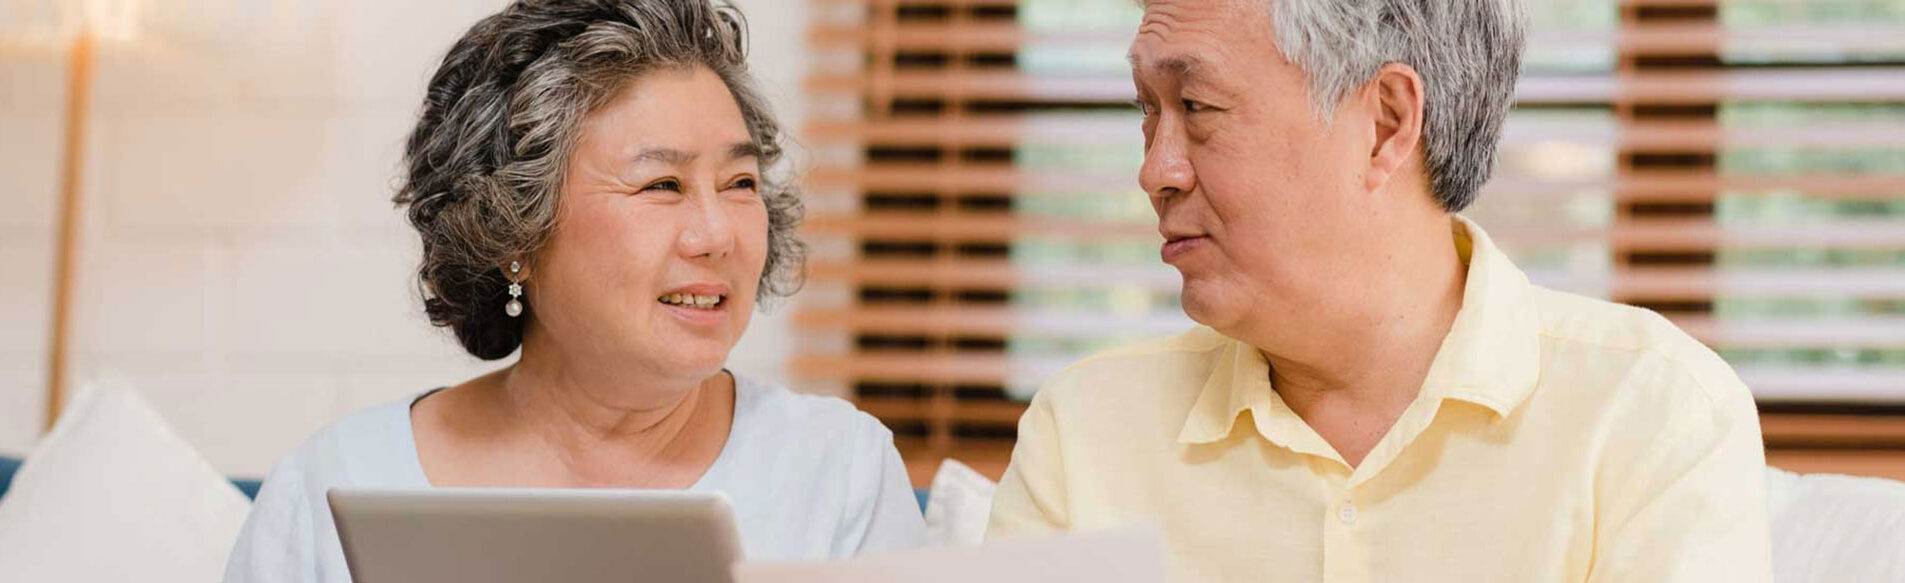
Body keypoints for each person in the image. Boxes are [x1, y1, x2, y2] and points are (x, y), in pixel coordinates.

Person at [986, 0, 1773, 581]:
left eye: (1196, 108)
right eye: (1147, 112)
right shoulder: (1083, 430)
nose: (1156, 170)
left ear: (1385, 124)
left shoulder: (1652, 415)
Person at [224, 2, 923, 581]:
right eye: (662, 185)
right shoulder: (334, 484)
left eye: (739, 183)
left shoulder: (838, 472)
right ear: (516, 232)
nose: (717, 234)